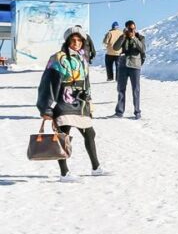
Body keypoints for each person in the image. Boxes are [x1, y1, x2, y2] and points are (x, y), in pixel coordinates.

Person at [37, 26, 109, 182]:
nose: (76, 43)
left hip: (80, 104)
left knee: (90, 134)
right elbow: (47, 83)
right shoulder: (58, 58)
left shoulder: (82, 58)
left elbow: (86, 82)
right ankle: (64, 173)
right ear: (68, 41)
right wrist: (46, 107)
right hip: (64, 101)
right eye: (73, 40)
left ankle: (95, 168)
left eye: (79, 40)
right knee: (63, 137)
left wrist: (88, 98)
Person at [113, 20, 145, 119]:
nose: (132, 30)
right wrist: (123, 36)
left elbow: (143, 49)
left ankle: (137, 112)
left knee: (136, 90)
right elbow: (115, 47)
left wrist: (134, 38)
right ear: (126, 28)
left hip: (135, 65)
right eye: (129, 28)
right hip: (123, 65)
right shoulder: (123, 37)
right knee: (121, 89)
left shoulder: (140, 37)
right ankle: (119, 111)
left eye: (133, 28)